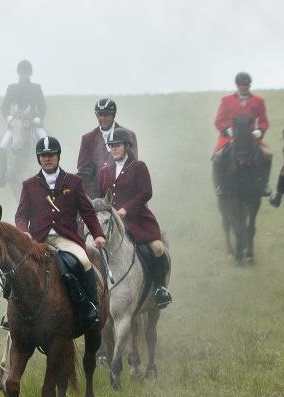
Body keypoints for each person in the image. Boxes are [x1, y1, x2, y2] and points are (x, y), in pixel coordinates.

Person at [15, 137, 106, 327]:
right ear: (38, 158)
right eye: (43, 156)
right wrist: (23, 231)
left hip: (66, 238)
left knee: (83, 260)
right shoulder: (29, 185)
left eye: (51, 155)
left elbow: (87, 212)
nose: (47, 159)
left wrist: (98, 234)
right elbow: (21, 215)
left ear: (58, 157)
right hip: (39, 239)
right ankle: (13, 314)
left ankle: (91, 305)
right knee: (18, 266)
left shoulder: (74, 182)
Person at [97, 128, 172, 308]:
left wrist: (126, 209)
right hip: (111, 223)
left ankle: (160, 288)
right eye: (111, 146)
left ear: (127, 146)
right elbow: (102, 198)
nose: (114, 149)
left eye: (117, 145)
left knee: (158, 248)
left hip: (138, 220)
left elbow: (146, 192)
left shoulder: (138, 167)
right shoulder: (105, 170)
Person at [211, 72, 272, 198]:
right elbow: (219, 121)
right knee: (217, 156)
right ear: (237, 85)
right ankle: (219, 186)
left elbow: (264, 121)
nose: (245, 87)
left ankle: (264, 184)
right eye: (243, 85)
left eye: (247, 85)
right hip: (229, 137)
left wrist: (259, 131)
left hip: (251, 138)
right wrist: (227, 130)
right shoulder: (226, 100)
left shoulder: (258, 101)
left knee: (268, 154)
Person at [0, 59, 48, 186]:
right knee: (3, 146)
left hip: (33, 124)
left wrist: (38, 118)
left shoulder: (36, 88)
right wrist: (9, 118)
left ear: (30, 74)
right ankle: (1, 173)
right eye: (22, 72)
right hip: (15, 124)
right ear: (18, 73)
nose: (24, 75)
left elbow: (43, 107)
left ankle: (54, 173)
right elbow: (4, 107)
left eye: (26, 72)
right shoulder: (12, 88)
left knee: (47, 142)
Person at [76, 98, 138, 196]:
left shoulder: (129, 135)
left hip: (124, 192)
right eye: (100, 115)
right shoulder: (87, 139)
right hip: (96, 194)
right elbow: (83, 170)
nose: (103, 118)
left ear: (113, 115)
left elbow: (132, 164)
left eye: (107, 115)